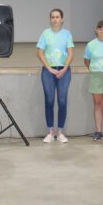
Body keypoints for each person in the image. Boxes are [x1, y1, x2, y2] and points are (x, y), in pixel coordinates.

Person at [37, 8, 74, 143]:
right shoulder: (45, 34)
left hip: (64, 71)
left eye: (57, 17)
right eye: (52, 17)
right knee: (49, 101)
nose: (55, 19)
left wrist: (64, 69)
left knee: (62, 101)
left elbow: (70, 53)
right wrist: (49, 68)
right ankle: (50, 132)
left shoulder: (67, 34)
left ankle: (60, 132)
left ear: (62, 19)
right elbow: (40, 53)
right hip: (48, 72)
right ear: (50, 19)